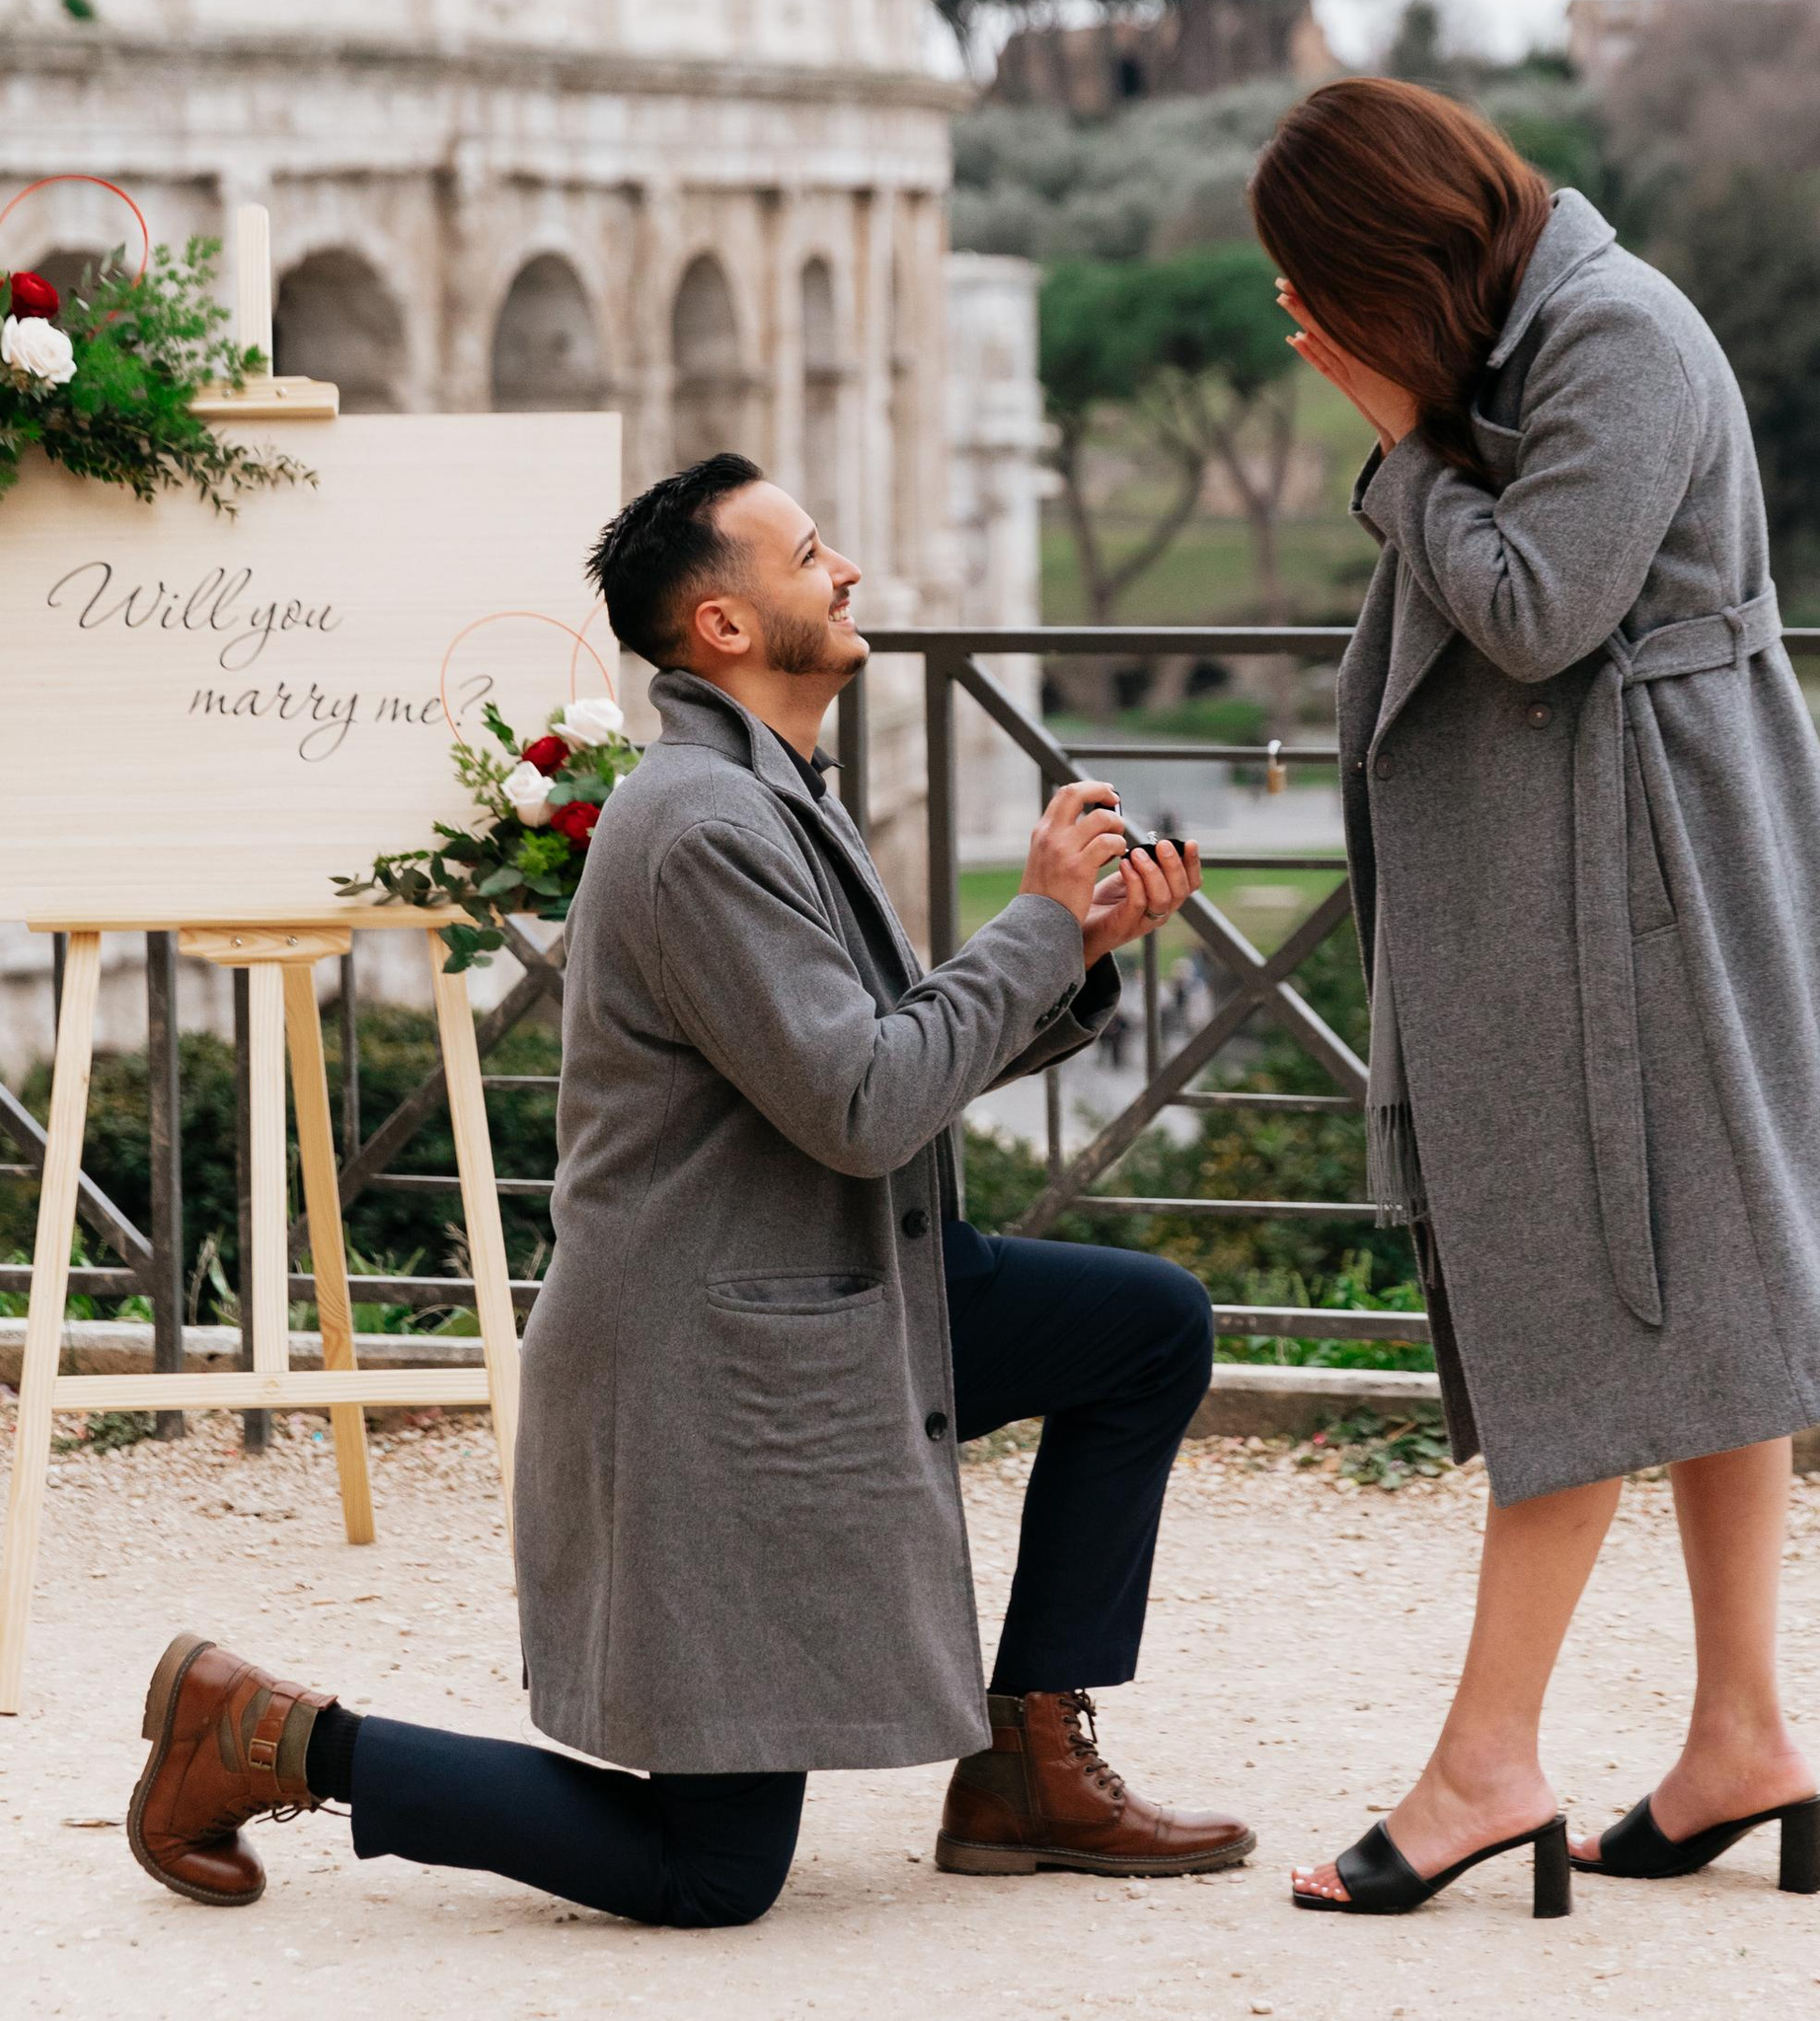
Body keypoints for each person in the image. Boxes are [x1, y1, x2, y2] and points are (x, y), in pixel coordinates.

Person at [127, 454, 1251, 1926]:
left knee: (1143, 1327)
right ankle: (270, 1735)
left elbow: (883, 1058)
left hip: (830, 1289)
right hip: (714, 1362)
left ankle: (1025, 1763)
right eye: (808, 554)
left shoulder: (767, 795)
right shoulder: (705, 825)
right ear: (723, 625)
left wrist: (1072, 951)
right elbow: (864, 1104)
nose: (844, 569)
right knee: (709, 1873)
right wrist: (1034, 923)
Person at [1250, 80, 1820, 1920]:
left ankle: (1487, 1765)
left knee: (1600, 1292)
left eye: (1323, 289)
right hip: (1622, 879)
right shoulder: (1546, 330)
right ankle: (1740, 1738)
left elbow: (1542, 611)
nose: (1318, 334)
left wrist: (1399, 448)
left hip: (1645, 895)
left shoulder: (1612, 335)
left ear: (1400, 254)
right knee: (1691, 1297)